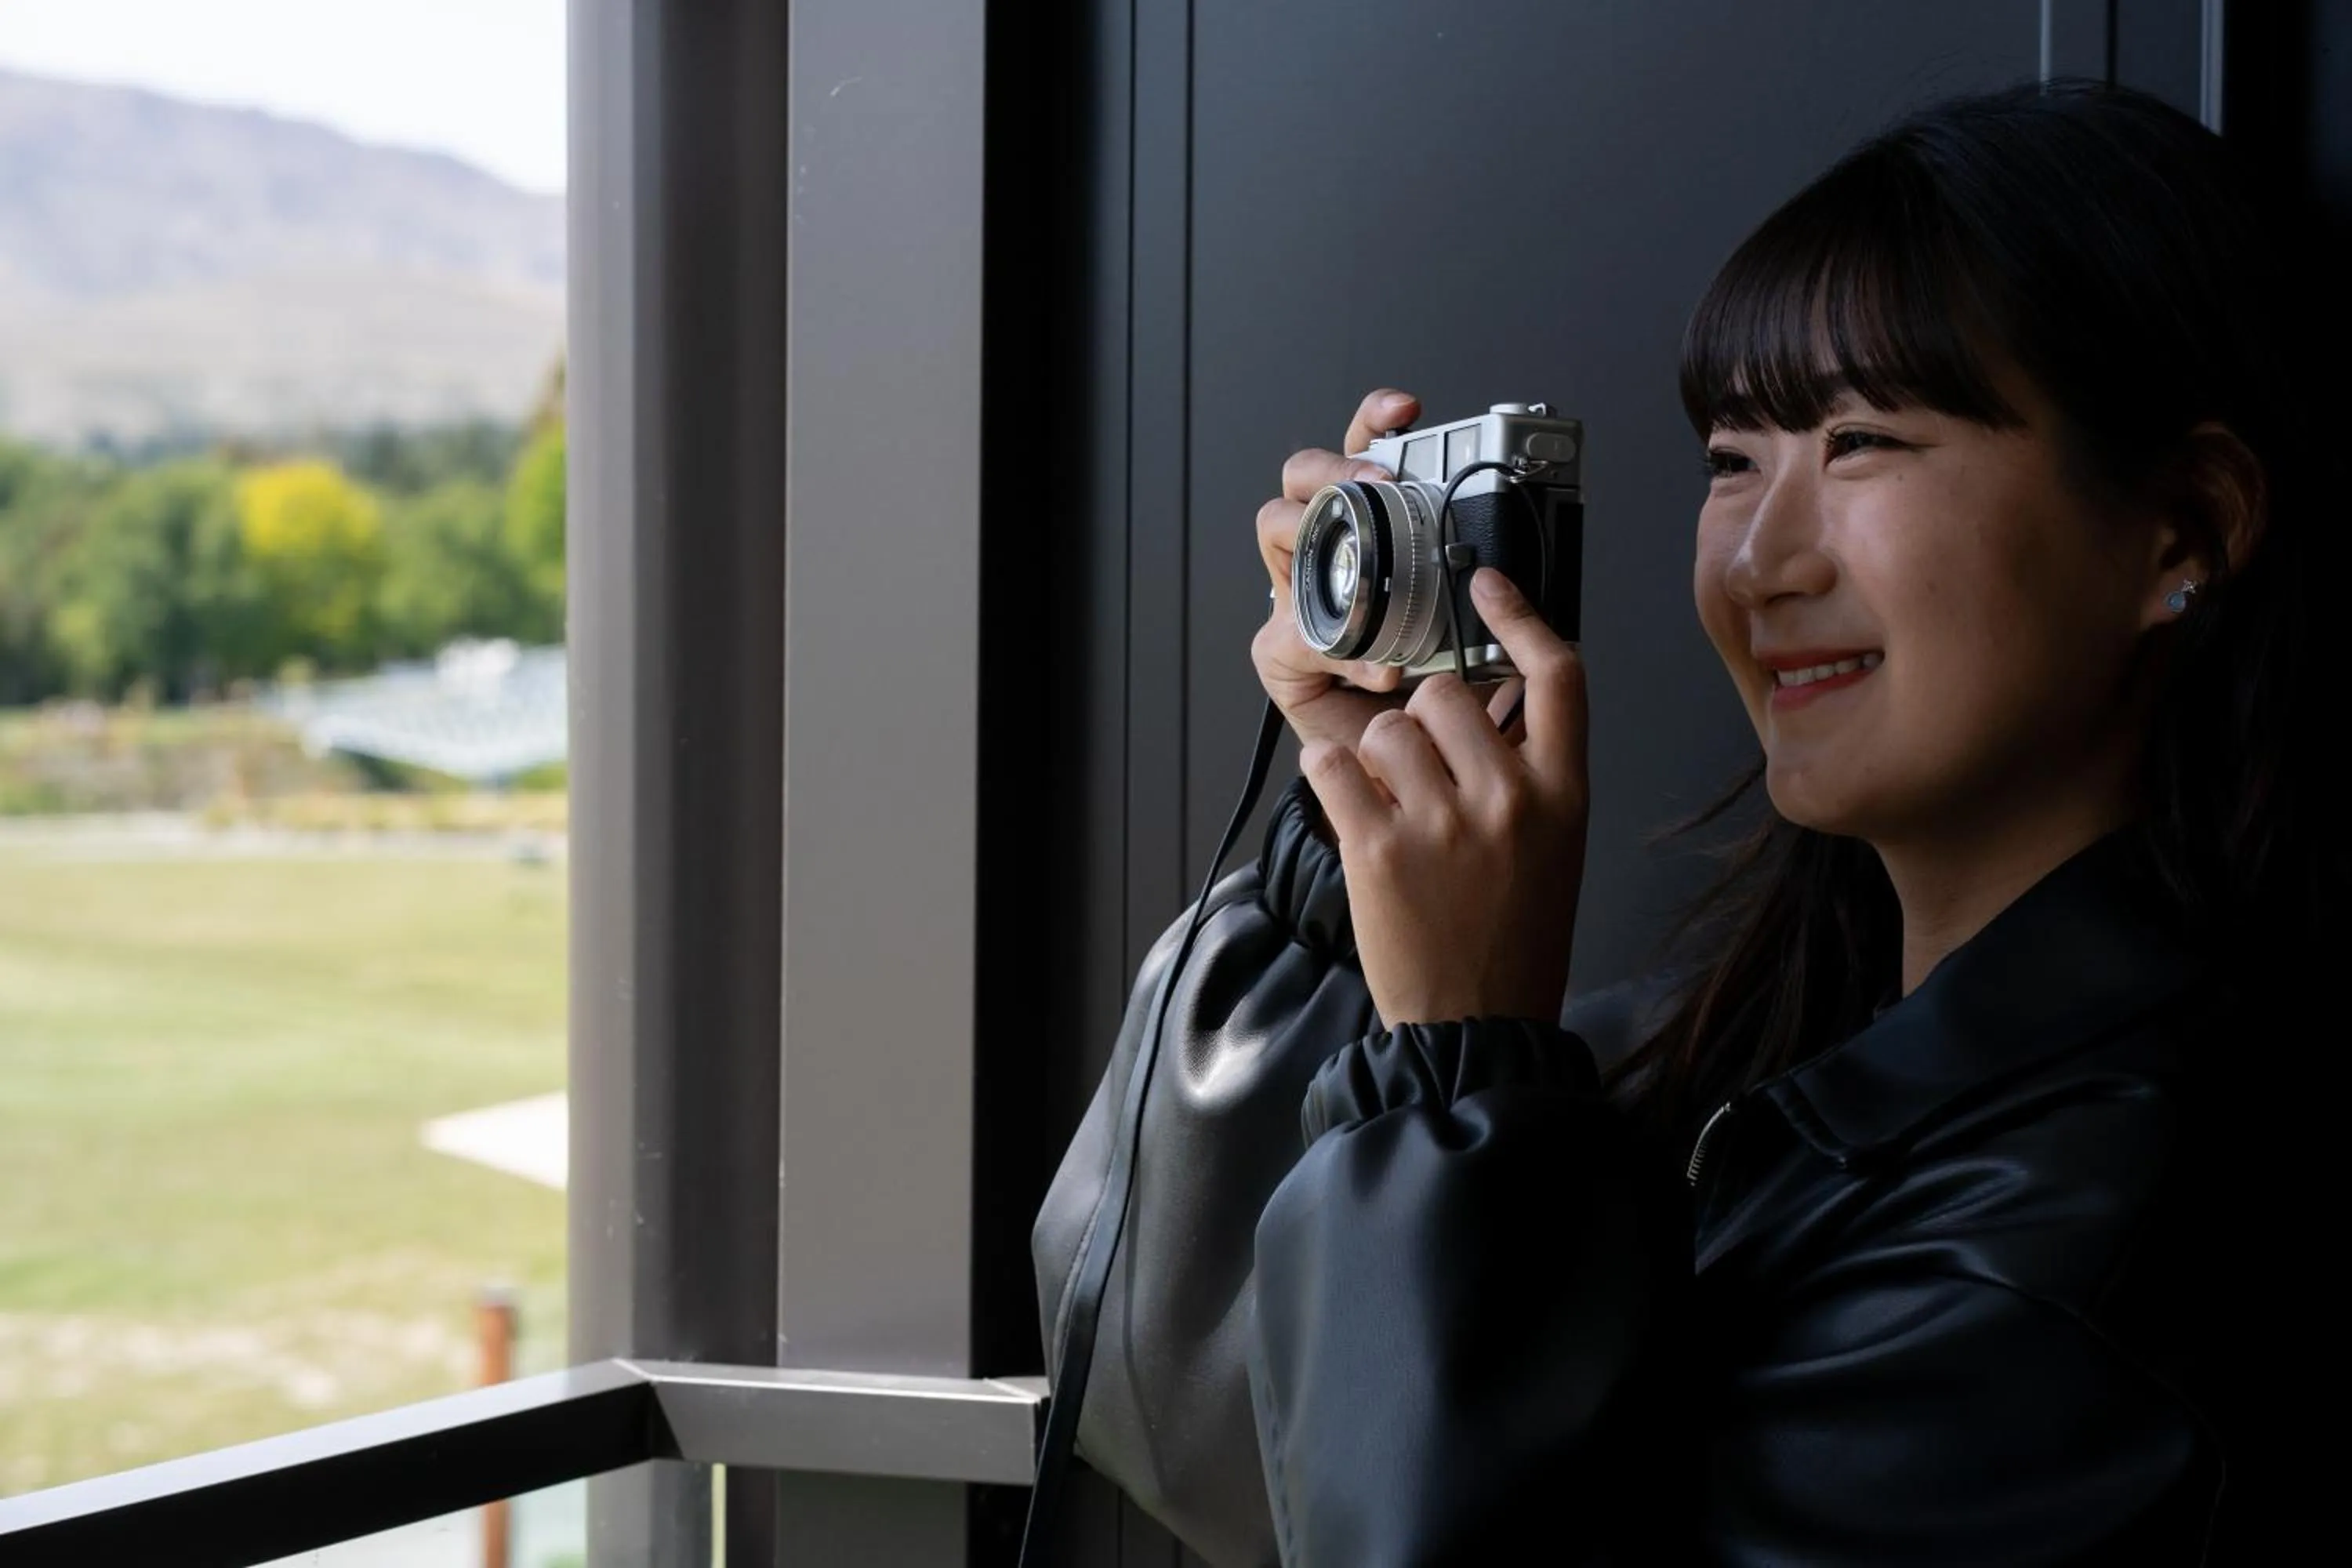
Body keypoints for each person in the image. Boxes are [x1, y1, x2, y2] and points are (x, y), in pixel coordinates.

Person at [1033, 80, 2339, 1566]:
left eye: (1863, 444)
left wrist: (1460, 1078)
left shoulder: (2095, 1246)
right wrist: (1352, 853)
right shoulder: (1739, 1068)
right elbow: (1183, 1416)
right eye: (1734, 457)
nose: (1763, 560)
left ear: (2188, 529)